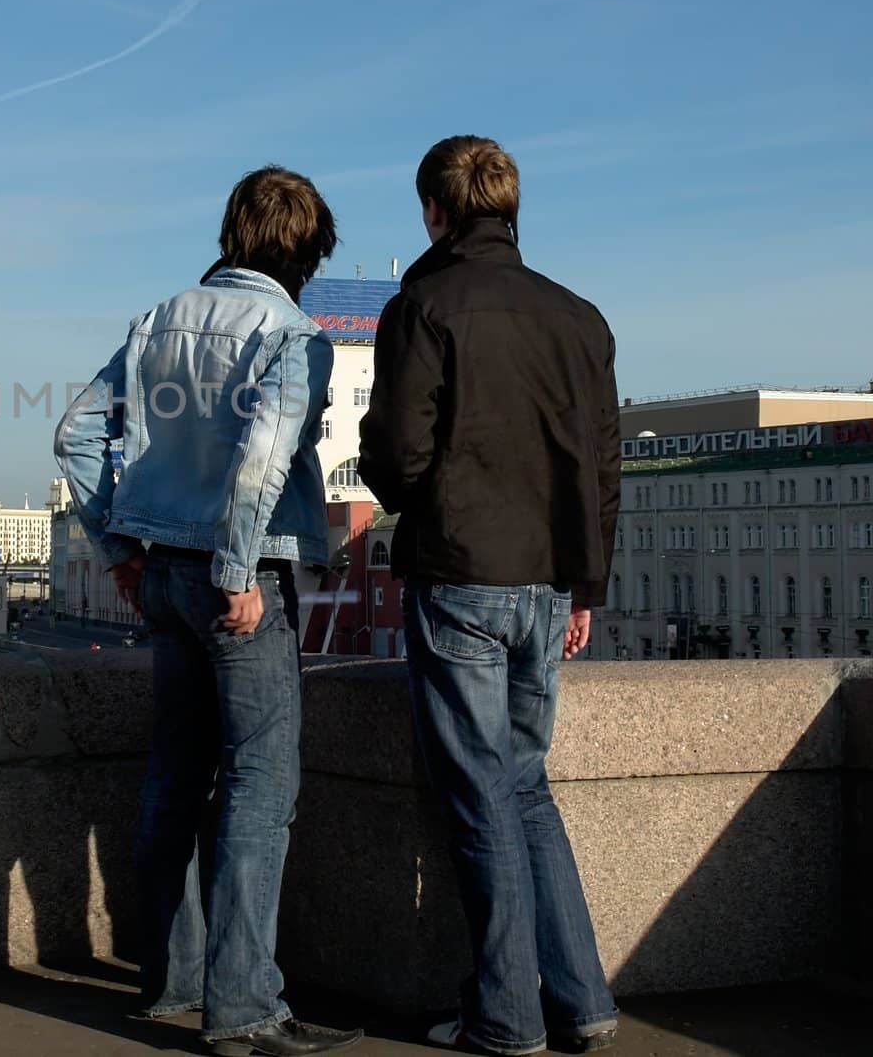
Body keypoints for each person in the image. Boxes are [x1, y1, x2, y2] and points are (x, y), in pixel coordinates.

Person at [54, 166, 360, 1057]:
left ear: (233, 232)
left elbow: (75, 435)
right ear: (306, 250)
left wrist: (119, 551)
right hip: (239, 579)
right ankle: (246, 1011)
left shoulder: (158, 318)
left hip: (164, 574)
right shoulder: (293, 334)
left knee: (175, 775)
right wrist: (236, 570)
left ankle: (173, 983)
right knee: (263, 786)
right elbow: (265, 460)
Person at [358, 136, 620, 1057]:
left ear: (436, 211)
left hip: (463, 576)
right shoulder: (579, 319)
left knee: (480, 798)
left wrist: (394, 479)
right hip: (550, 581)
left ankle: (505, 1017)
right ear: (510, 208)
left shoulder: (422, 305)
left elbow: (396, 450)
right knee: (525, 788)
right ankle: (584, 1002)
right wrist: (585, 584)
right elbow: (602, 468)